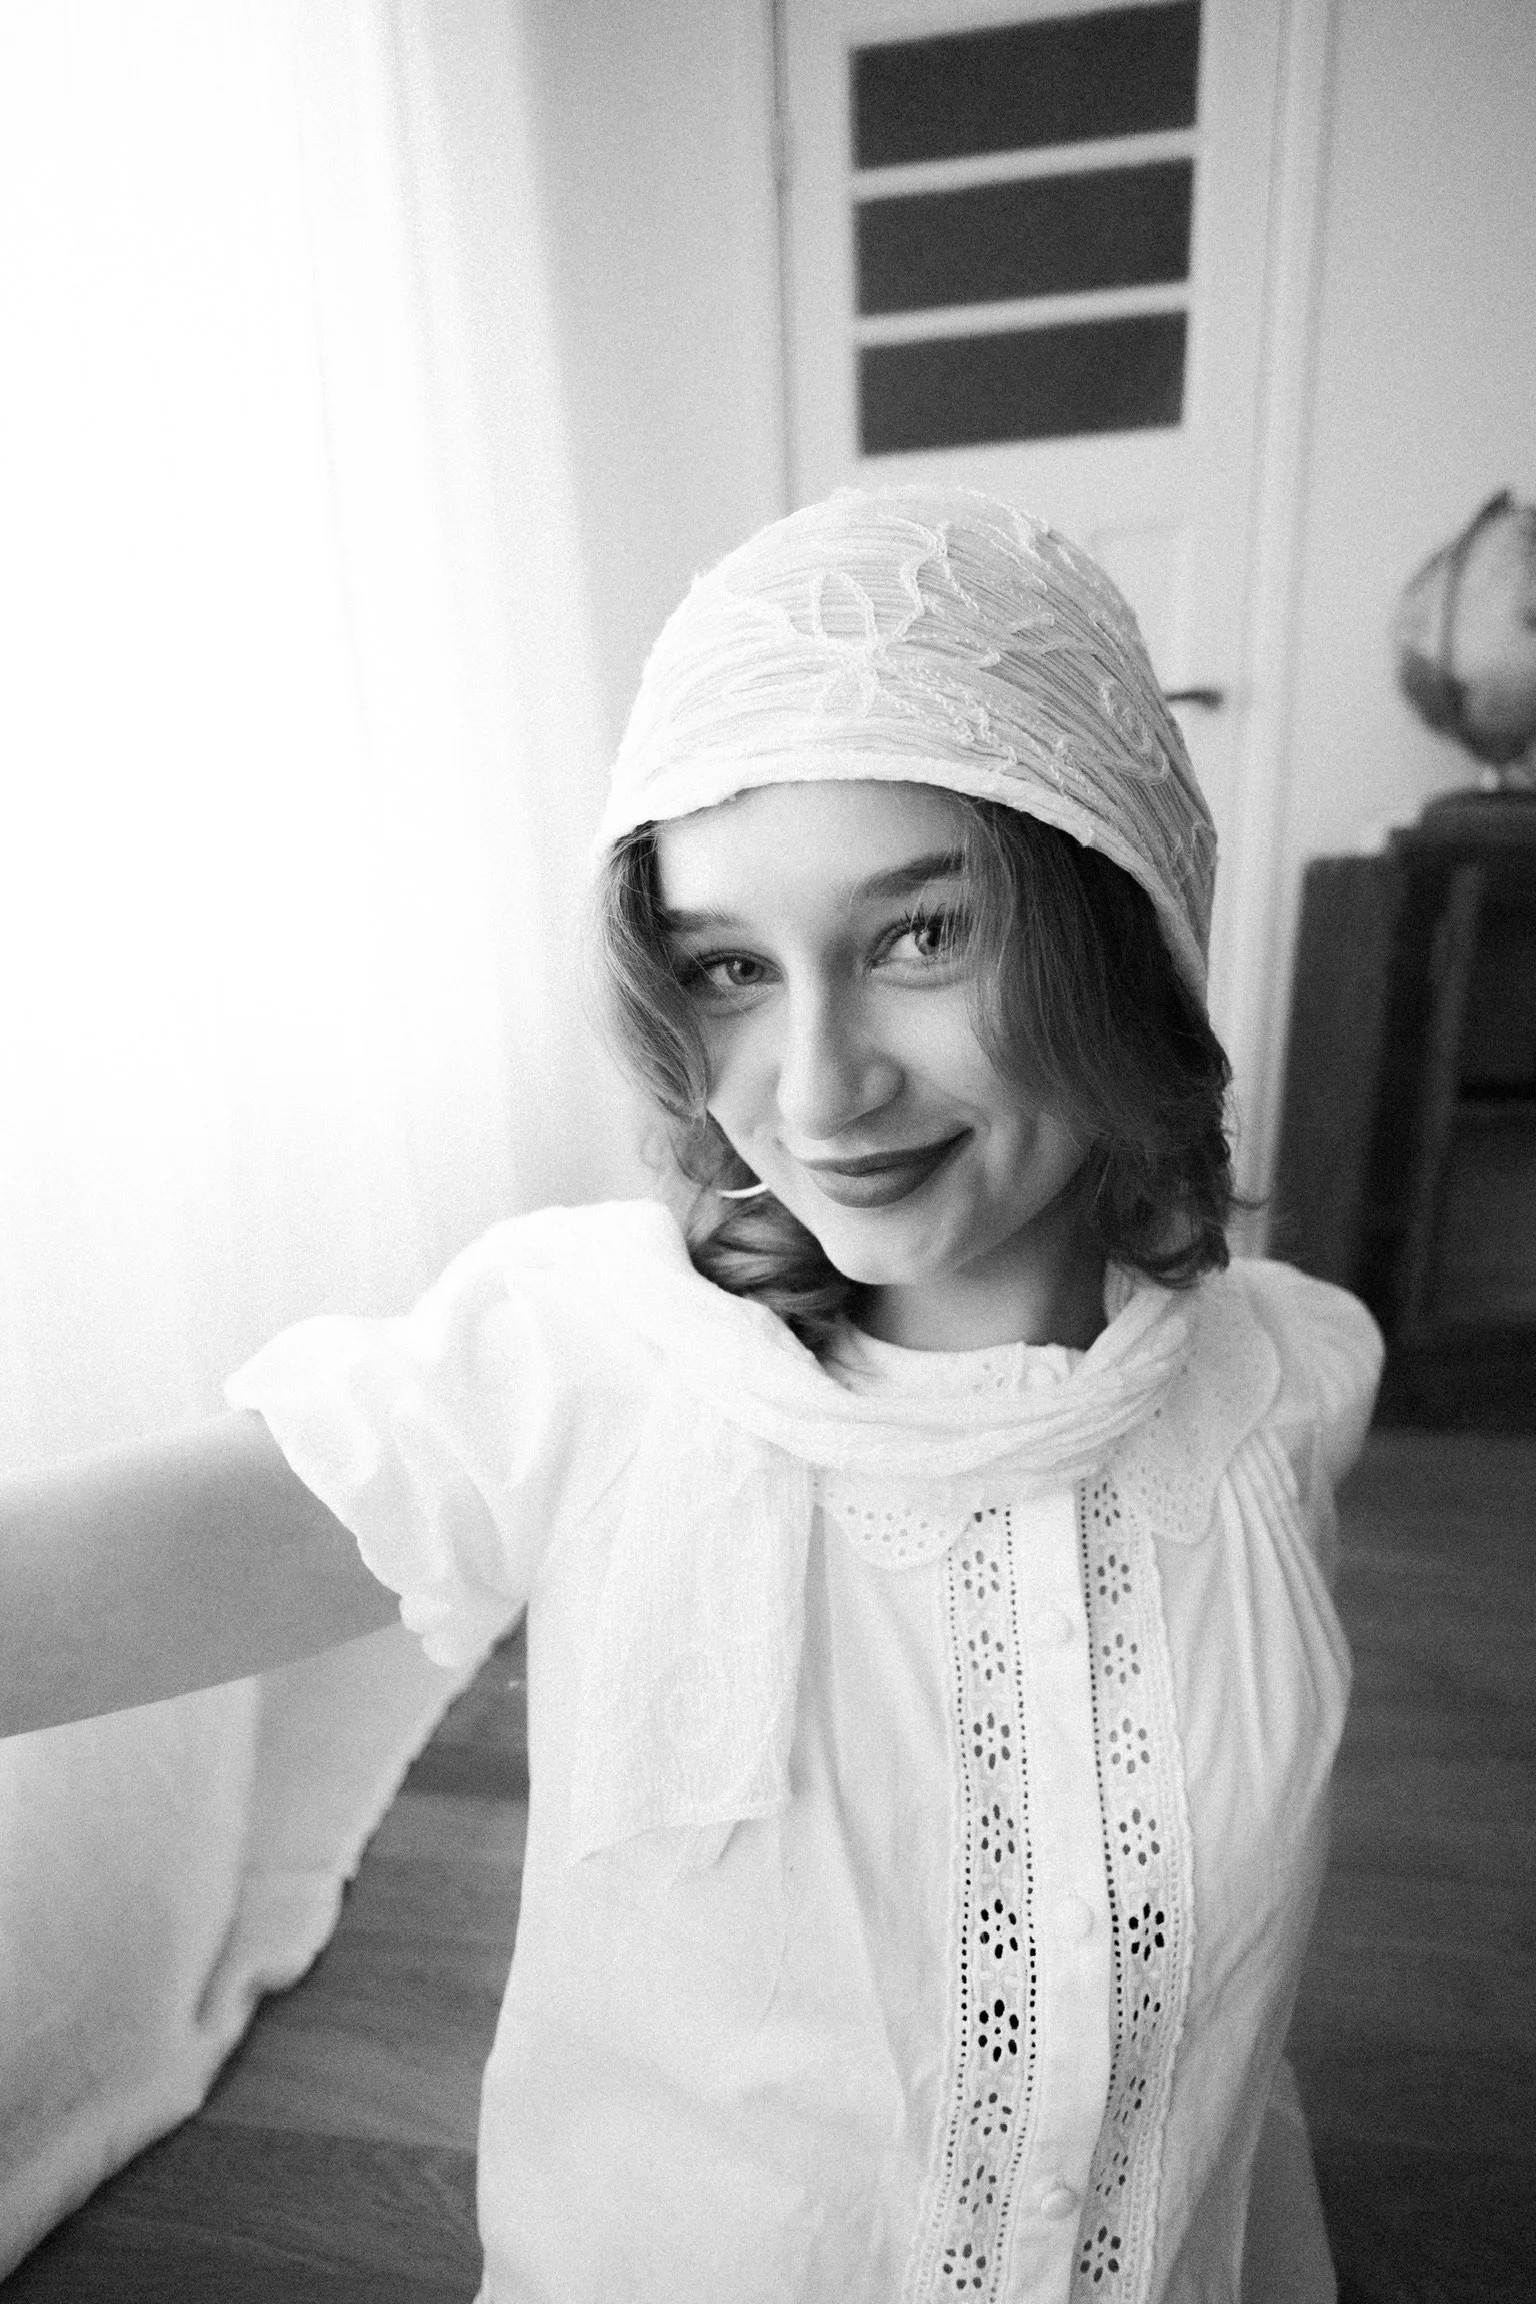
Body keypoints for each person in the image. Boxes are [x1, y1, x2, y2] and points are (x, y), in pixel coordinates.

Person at [1, 486, 1380, 2303]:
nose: (816, 1090)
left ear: (1117, 925)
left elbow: (1224, 2044)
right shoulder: (574, 1367)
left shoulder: (1288, 1384)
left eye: (921, 936)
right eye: (729, 966)